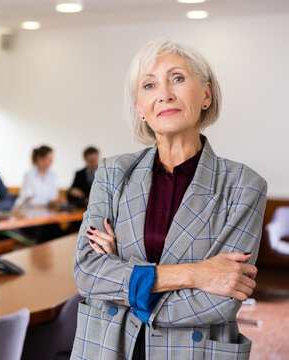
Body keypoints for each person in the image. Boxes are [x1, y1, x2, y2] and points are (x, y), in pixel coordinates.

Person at [71, 39, 266, 360]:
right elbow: (88, 273)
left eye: (177, 78)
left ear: (206, 94)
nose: (165, 94)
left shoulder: (244, 185)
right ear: (140, 107)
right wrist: (196, 274)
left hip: (193, 351)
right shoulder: (112, 172)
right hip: (108, 347)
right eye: (149, 85)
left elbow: (221, 299)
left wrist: (120, 273)